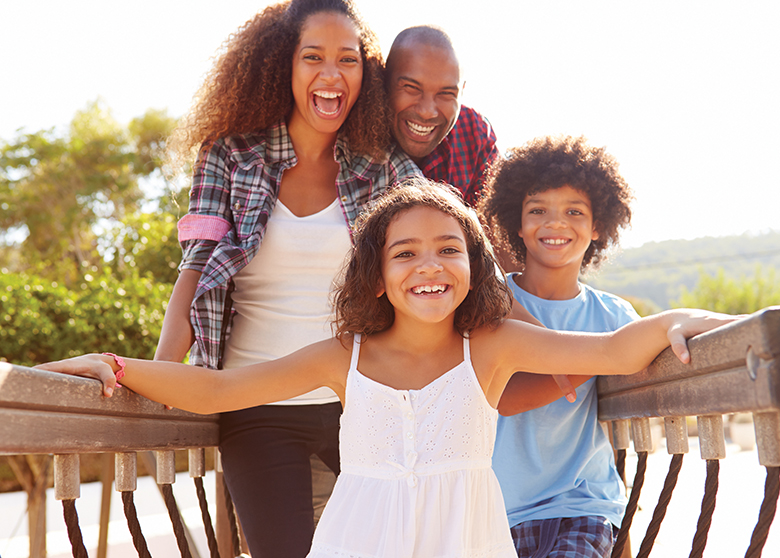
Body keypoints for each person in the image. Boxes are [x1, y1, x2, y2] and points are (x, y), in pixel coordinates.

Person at [37, 178, 738, 558]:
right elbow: (221, 388)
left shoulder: (490, 345)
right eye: (405, 253)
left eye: (448, 249)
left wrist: (677, 321)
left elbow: (612, 351)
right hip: (357, 541)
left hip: (464, 542)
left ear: (472, 267)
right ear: (375, 276)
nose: (429, 264)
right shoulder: (348, 357)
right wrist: (114, 366)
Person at [156, 1, 419, 556]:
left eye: (347, 59)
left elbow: (460, 250)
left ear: (363, 74)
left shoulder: (384, 167)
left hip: (364, 403)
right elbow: (197, 267)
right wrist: (164, 373)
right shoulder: (231, 156)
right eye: (313, 57)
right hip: (254, 406)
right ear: (284, 67)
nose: (331, 74)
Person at [479, 135, 638, 557]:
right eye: (538, 210)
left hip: (583, 505)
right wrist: (606, 354)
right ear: (515, 222)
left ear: (598, 225)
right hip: (494, 512)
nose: (556, 223)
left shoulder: (614, 316)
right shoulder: (486, 306)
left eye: (574, 211)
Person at [385, 25, 499, 205]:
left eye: (446, 94)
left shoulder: (475, 135)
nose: (427, 112)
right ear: (383, 82)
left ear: (461, 92)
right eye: (411, 88)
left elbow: (492, 225)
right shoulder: (350, 140)